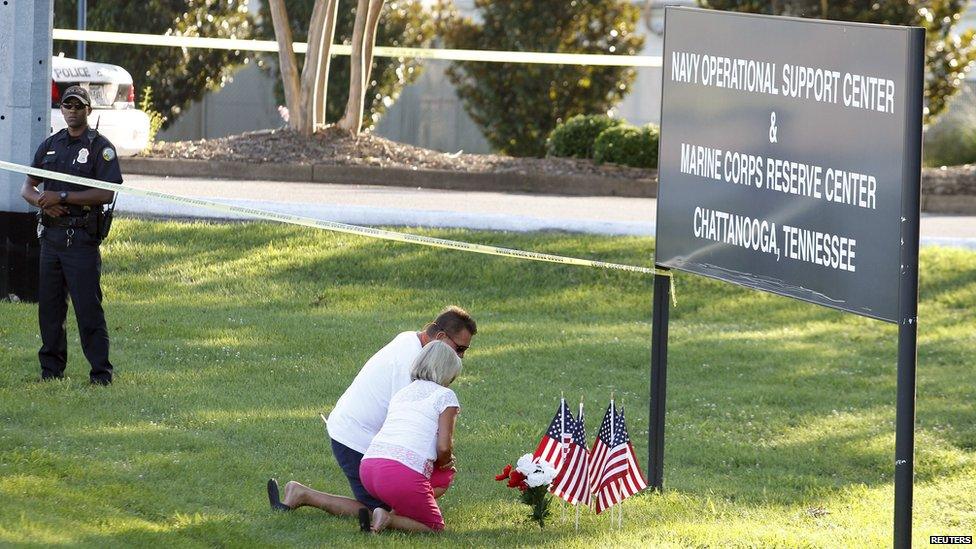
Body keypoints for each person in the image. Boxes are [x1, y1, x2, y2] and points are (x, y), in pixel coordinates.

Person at [267, 306, 476, 528]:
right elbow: (411, 429)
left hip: (355, 434)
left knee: (395, 504)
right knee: (384, 512)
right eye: (459, 348)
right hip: (357, 441)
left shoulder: (410, 340)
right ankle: (303, 494)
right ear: (441, 337)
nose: (461, 356)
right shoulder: (410, 365)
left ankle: (303, 494)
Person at [20, 86, 122, 385]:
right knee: (50, 309)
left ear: (88, 110)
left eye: (79, 106)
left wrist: (61, 196)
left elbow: (107, 192)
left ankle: (100, 374)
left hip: (81, 239)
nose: (73, 111)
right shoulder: (50, 145)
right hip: (51, 239)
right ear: (61, 109)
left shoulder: (99, 147)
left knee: (88, 309)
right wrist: (43, 203)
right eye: (68, 105)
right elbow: (27, 187)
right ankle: (51, 371)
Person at [360, 339, 461, 533]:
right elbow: (444, 447)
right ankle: (388, 518)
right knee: (434, 528)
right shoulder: (445, 396)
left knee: (431, 475)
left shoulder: (402, 393)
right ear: (447, 372)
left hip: (369, 468)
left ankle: (402, 508)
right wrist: (447, 463)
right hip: (400, 475)